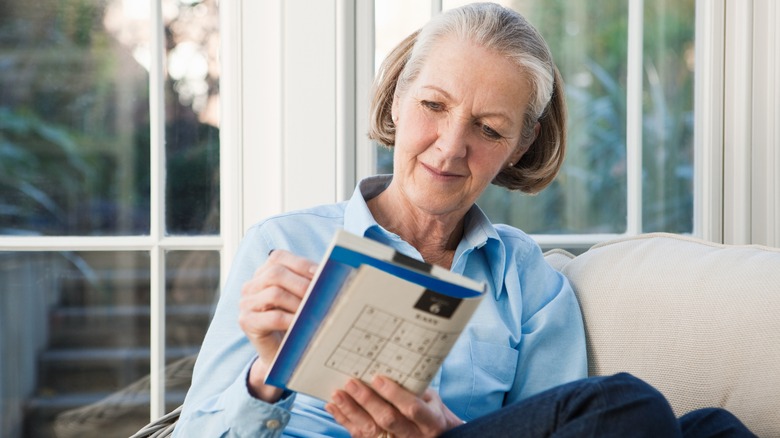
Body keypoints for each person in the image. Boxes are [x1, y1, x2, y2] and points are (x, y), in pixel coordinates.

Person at [173, 3, 755, 437]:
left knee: (714, 429)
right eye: (433, 105)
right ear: (398, 100)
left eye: (490, 128)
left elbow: (560, 427)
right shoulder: (284, 244)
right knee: (630, 406)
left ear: (520, 147)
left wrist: (445, 431)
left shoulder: (523, 275)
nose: (451, 148)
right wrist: (266, 376)